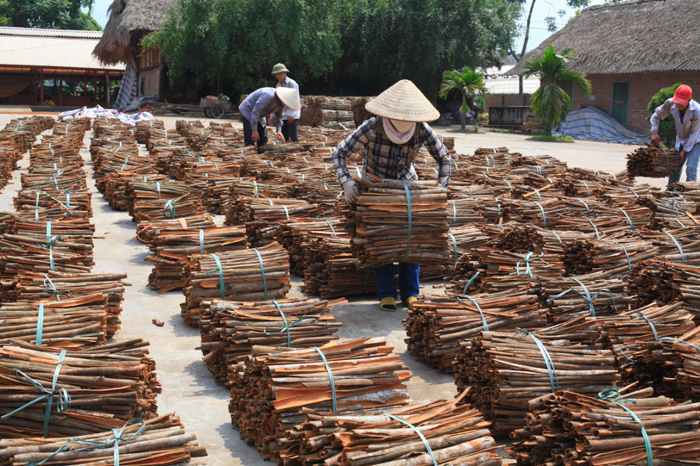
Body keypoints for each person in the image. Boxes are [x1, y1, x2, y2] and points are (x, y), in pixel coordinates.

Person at [331, 79, 451, 312]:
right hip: (375, 190)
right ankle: (386, 292)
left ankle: (410, 292)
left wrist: (441, 189)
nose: (404, 125)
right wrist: (346, 182)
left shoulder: (421, 129)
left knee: (410, 238)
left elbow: (444, 158)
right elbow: (339, 152)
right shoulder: (371, 127)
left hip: (407, 189)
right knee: (380, 238)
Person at [650, 84, 700, 186]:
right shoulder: (670, 103)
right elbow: (656, 116)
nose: (678, 105)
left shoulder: (697, 111)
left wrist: (684, 152)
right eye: (677, 102)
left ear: (689, 99)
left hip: (696, 139)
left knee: (691, 168)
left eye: (681, 103)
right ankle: (671, 191)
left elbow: (694, 134)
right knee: (675, 165)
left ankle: (689, 194)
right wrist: (654, 133)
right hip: (681, 138)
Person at [271, 63, 301, 142]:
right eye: (276, 74)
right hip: (283, 114)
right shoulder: (278, 86)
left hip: (292, 113)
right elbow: (276, 102)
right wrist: (272, 115)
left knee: (293, 137)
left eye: (280, 73)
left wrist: (291, 114)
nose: (278, 76)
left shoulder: (292, 84)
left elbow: (294, 99)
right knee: (284, 137)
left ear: (285, 73)